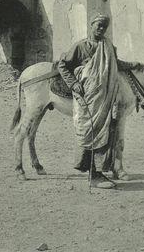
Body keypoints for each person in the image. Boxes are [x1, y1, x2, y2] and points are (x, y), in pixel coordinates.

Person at [56, 14, 136, 189]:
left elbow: (116, 64)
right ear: (91, 25)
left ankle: (98, 173)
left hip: (104, 99)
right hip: (87, 97)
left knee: (104, 132)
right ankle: (93, 174)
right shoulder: (80, 46)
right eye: (99, 25)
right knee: (88, 131)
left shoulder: (108, 47)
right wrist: (74, 83)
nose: (101, 29)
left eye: (104, 27)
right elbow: (62, 65)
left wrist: (133, 65)